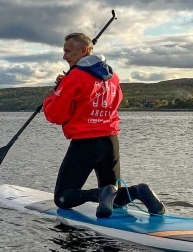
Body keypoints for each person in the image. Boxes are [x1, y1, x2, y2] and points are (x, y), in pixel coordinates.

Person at [43, 32, 165, 218]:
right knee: (114, 197)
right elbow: (116, 101)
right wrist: (64, 86)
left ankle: (99, 194)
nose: (64, 56)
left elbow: (56, 115)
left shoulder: (75, 76)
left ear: (84, 50)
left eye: (68, 51)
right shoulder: (112, 76)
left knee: (63, 198)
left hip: (85, 143)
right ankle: (138, 191)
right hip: (110, 140)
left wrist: (50, 97)